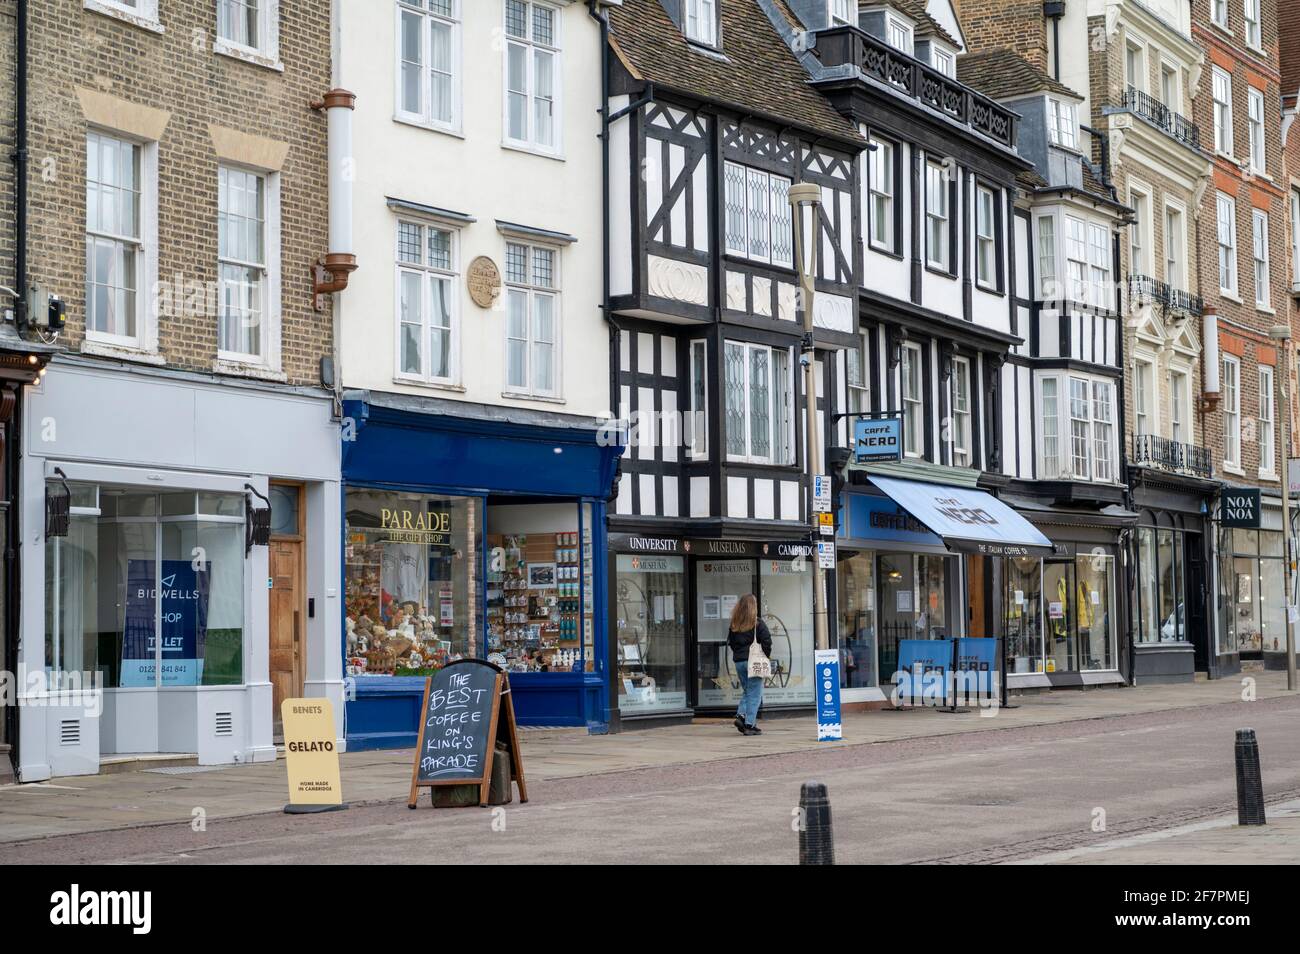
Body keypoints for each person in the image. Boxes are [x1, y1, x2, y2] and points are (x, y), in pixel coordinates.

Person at [727, 594, 771, 736]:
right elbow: (767, 641)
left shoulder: (734, 624)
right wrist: (765, 656)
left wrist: (740, 655)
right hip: (753, 661)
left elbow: (731, 643)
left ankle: (741, 716)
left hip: (739, 662)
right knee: (755, 694)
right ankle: (749, 724)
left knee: (748, 691)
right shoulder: (757, 623)